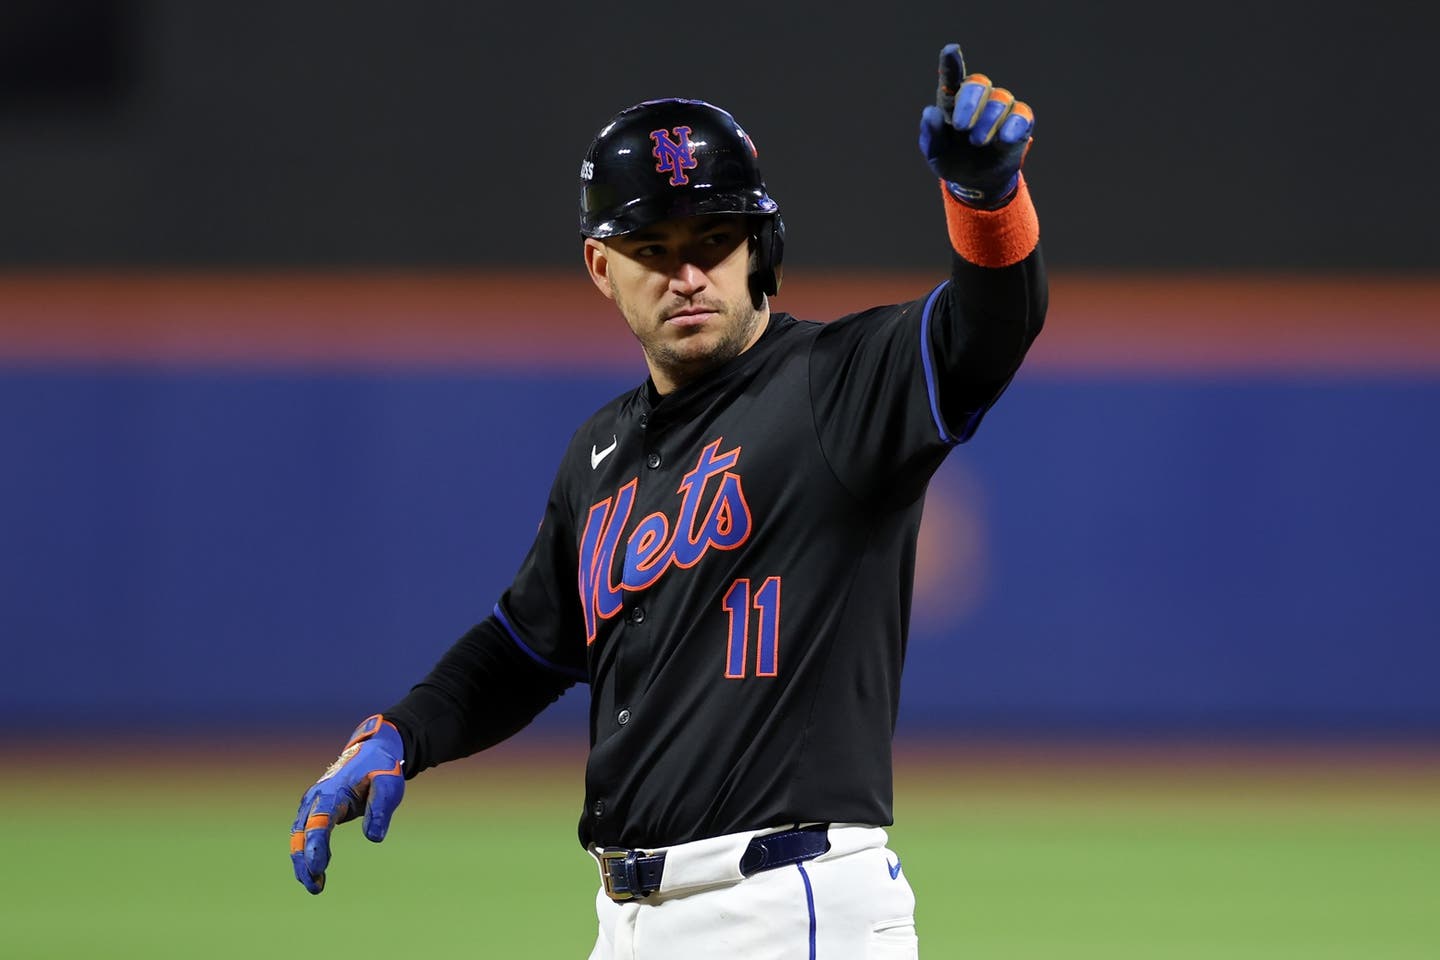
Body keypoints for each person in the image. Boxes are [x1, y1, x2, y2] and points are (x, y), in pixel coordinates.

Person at [289, 41, 1046, 959]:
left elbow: (990, 328)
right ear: (601, 268)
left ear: (759, 250)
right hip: (628, 921)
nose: (687, 274)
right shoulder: (599, 453)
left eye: (713, 242)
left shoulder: (833, 386)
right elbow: (526, 647)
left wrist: (985, 202)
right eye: (652, 249)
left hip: (788, 907)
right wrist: (403, 733)